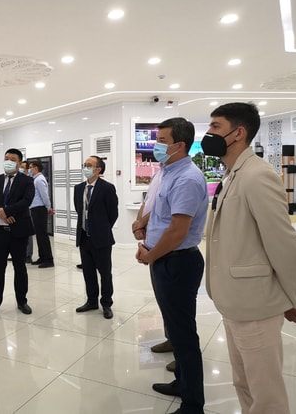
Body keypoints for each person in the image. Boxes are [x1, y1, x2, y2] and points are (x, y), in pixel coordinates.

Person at [203, 102, 296, 414]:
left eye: (215, 126)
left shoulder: (258, 175)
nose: (208, 133)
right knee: (243, 383)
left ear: (238, 133)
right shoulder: (233, 174)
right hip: (234, 301)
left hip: (255, 304)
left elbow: (282, 241)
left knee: (265, 393)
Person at [135, 117, 207, 414]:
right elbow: (160, 212)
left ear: (180, 145)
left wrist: (150, 255)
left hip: (178, 262)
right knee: (176, 331)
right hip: (165, 259)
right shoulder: (167, 173)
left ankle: (193, 404)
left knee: (184, 335)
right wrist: (143, 228)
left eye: (162, 141)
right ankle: (181, 383)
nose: (156, 146)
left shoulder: (187, 178)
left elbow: (178, 231)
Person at [133, 166, 176, 371]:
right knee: (164, 302)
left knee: (177, 308)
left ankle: (183, 354)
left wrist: (142, 222)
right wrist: (139, 223)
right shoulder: (159, 174)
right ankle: (171, 339)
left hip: (172, 252)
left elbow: (162, 209)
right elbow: (148, 201)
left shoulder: (182, 176)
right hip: (155, 248)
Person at [0, 148, 35, 317]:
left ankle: (22, 301)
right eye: (6, 158)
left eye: (13, 159)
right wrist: (1, 212)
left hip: (18, 232)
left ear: (19, 163)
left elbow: (26, 201)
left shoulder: (27, 181)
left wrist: (6, 211)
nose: (9, 162)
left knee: (20, 268)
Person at [74, 155, 118, 319]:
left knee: (105, 273)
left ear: (98, 169)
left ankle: (106, 303)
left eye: (89, 165)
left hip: (101, 238)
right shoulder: (79, 188)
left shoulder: (107, 188)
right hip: (84, 237)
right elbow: (79, 210)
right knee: (88, 272)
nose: (85, 167)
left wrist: (102, 228)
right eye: (84, 164)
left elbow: (113, 213)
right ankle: (91, 301)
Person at [28, 159, 55, 268]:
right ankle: (42, 257)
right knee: (39, 235)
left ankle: (49, 259)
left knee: (42, 235)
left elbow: (44, 195)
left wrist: (49, 207)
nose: (29, 169)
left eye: (30, 167)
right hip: (36, 209)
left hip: (40, 209)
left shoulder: (39, 180)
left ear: (36, 168)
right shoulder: (36, 179)